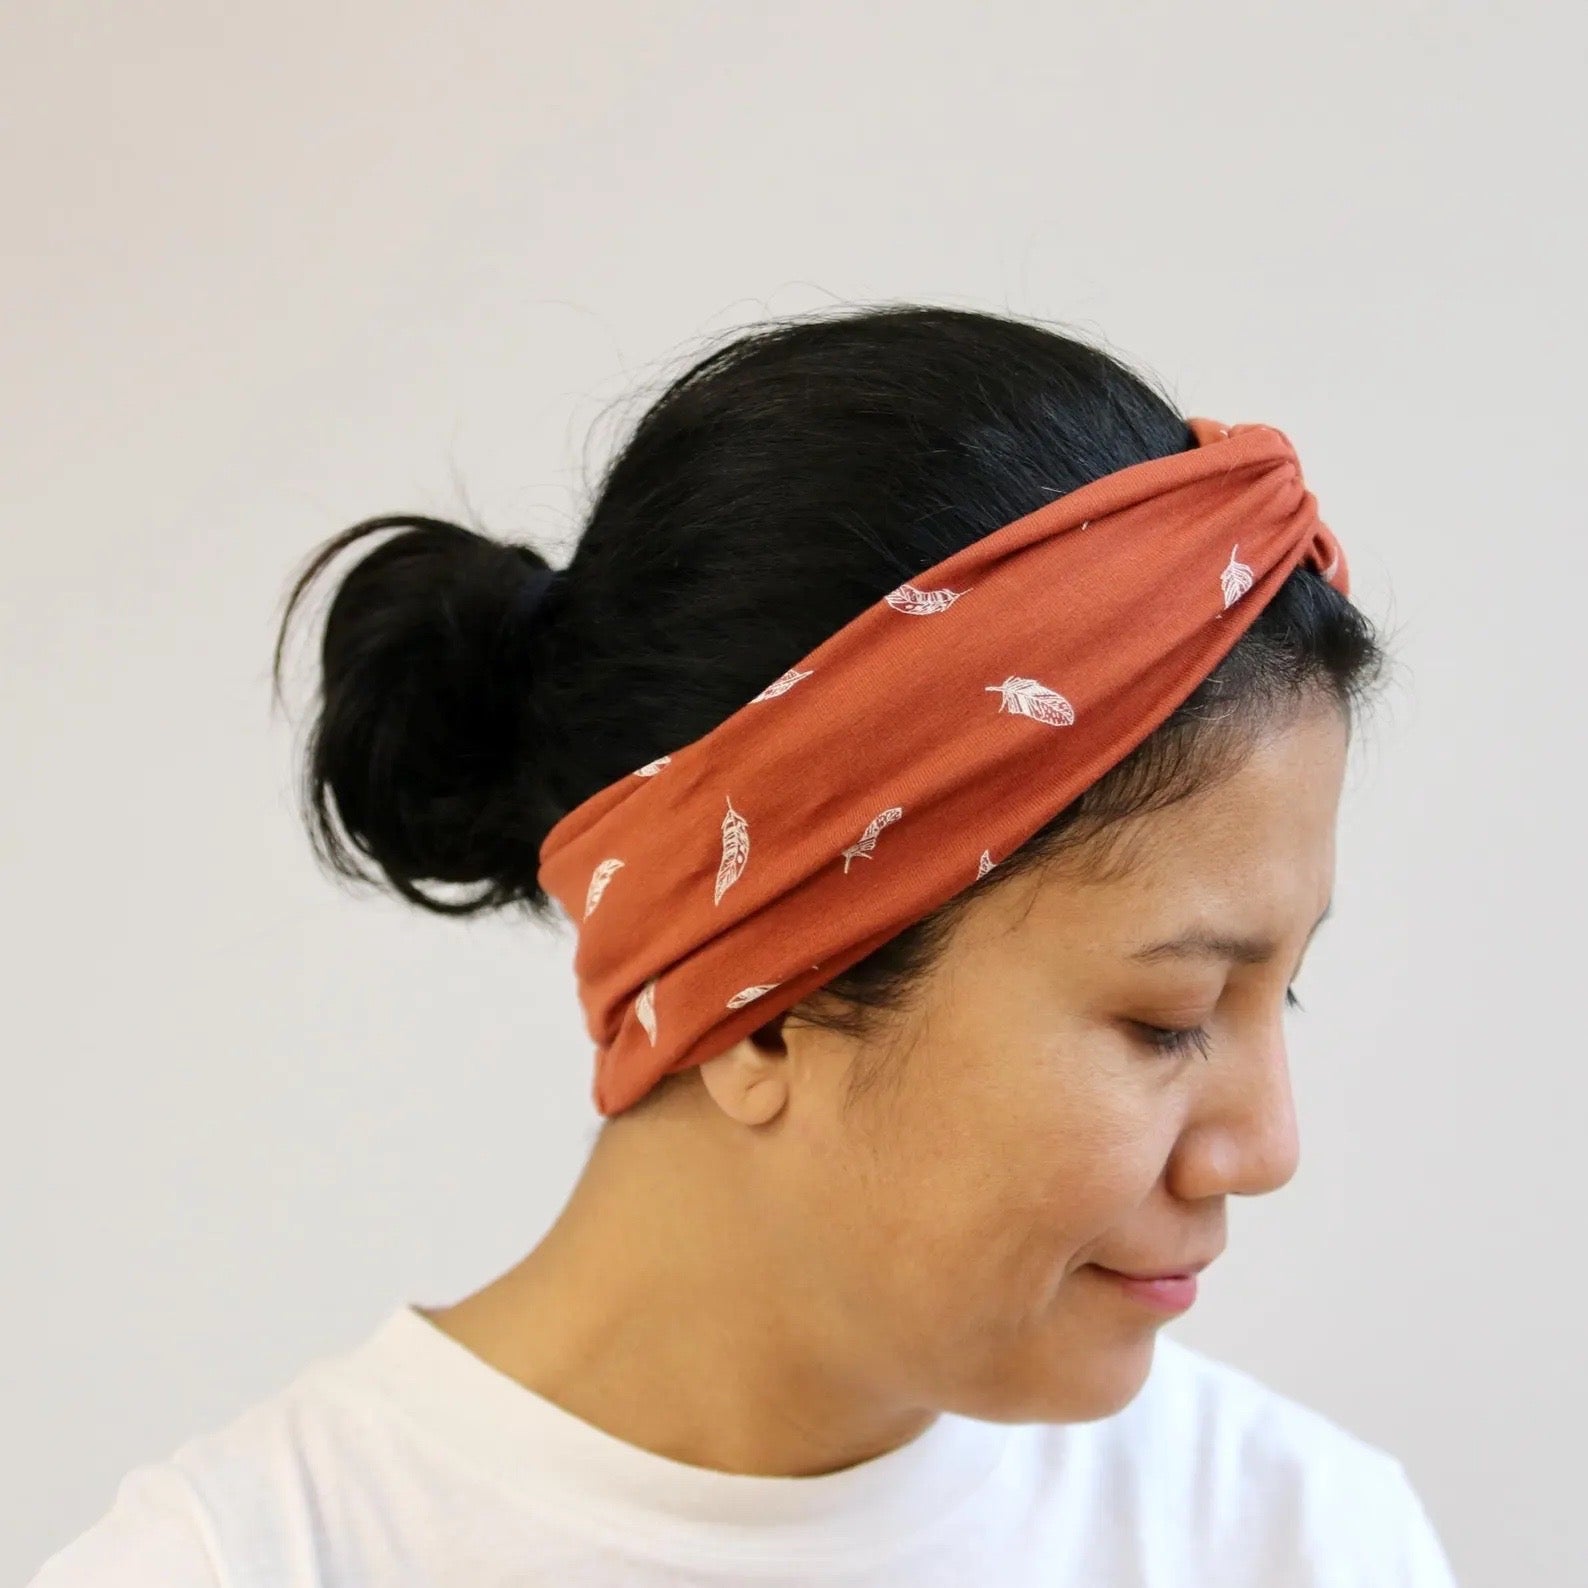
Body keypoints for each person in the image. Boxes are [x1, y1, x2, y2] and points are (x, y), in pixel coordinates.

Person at [30, 304, 1460, 1585]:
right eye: (1171, 1017)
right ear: (770, 1003)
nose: (1266, 1146)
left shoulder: (1300, 1543)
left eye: (1286, 989)